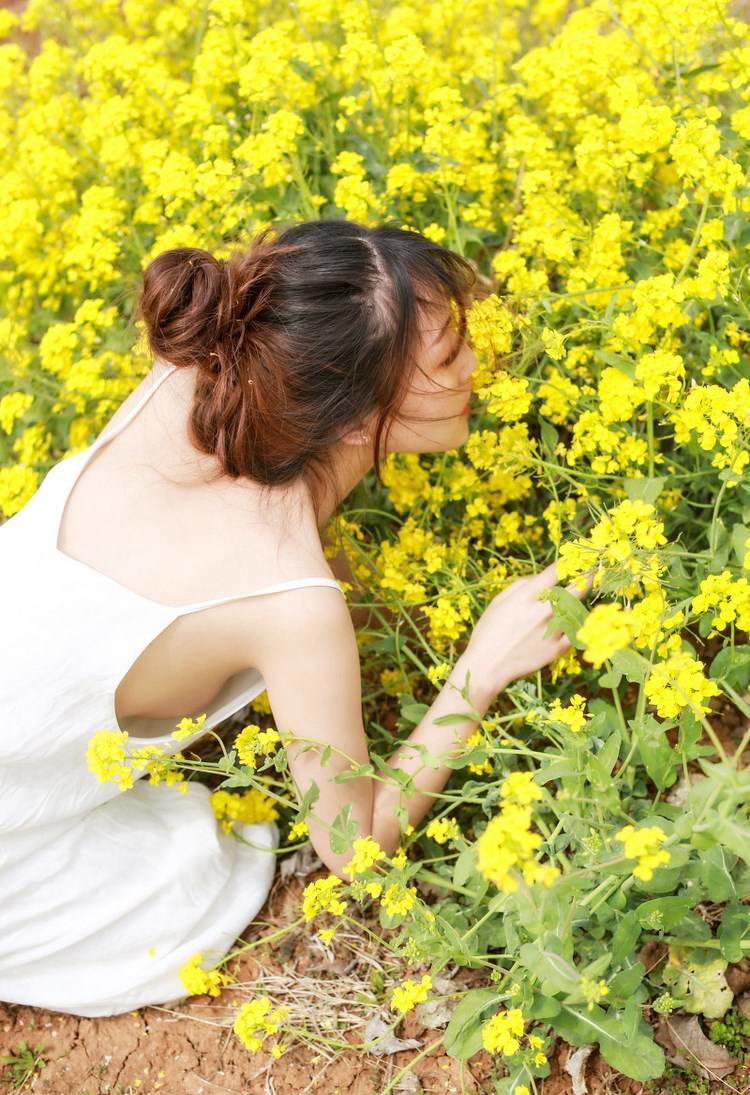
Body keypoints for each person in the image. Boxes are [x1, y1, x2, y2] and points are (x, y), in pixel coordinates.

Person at [0, 218, 590, 1017]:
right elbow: (355, 847)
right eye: (450, 355)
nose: (476, 367)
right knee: (188, 883)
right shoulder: (290, 598)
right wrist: (481, 668)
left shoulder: (193, 373)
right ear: (356, 416)